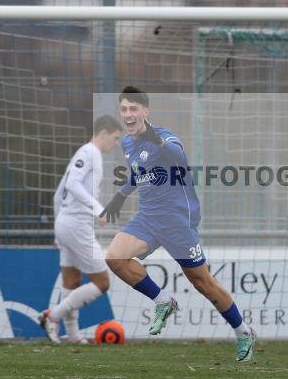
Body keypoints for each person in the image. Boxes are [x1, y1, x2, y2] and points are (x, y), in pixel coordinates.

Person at [101, 86, 256, 362]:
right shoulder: (127, 142)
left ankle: (243, 332)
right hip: (148, 218)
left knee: (202, 282)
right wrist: (120, 197)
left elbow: (177, 156)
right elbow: (139, 172)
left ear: (145, 112)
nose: (128, 114)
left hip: (176, 220)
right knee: (115, 257)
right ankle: (163, 301)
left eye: (133, 108)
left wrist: (156, 140)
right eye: (124, 109)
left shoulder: (163, 137)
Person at [39, 116, 123, 344]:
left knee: (72, 281)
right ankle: (51, 316)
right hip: (77, 225)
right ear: (103, 133)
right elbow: (72, 184)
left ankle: (73, 335)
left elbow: (59, 193)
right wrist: (98, 209)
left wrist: (59, 228)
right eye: (115, 138)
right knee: (103, 282)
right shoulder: (90, 153)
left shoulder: (85, 153)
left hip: (65, 223)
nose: (115, 144)